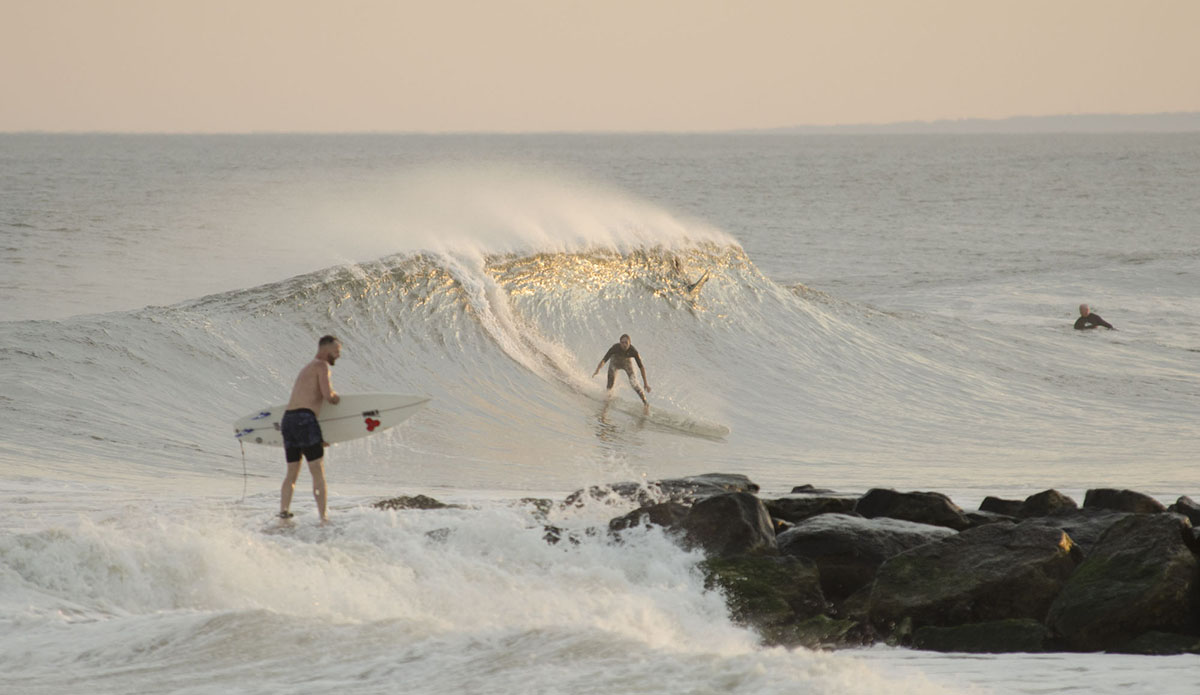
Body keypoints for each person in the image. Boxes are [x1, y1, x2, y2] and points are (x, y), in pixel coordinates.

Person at [279, 335, 342, 521]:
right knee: (317, 470)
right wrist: (335, 397)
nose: (338, 355)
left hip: (288, 420)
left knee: (291, 472)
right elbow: (327, 395)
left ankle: (284, 512)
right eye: (336, 351)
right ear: (325, 349)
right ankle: (323, 517)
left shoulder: (306, 368)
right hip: (305, 419)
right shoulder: (322, 366)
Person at [592, 334, 651, 410]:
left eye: (626, 342)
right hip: (615, 363)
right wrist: (598, 369)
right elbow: (604, 359)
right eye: (622, 342)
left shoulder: (634, 351)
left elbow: (641, 367)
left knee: (634, 383)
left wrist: (645, 383)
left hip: (627, 364)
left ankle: (645, 403)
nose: (624, 344)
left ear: (630, 343)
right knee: (610, 385)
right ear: (620, 343)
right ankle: (606, 403)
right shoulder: (615, 348)